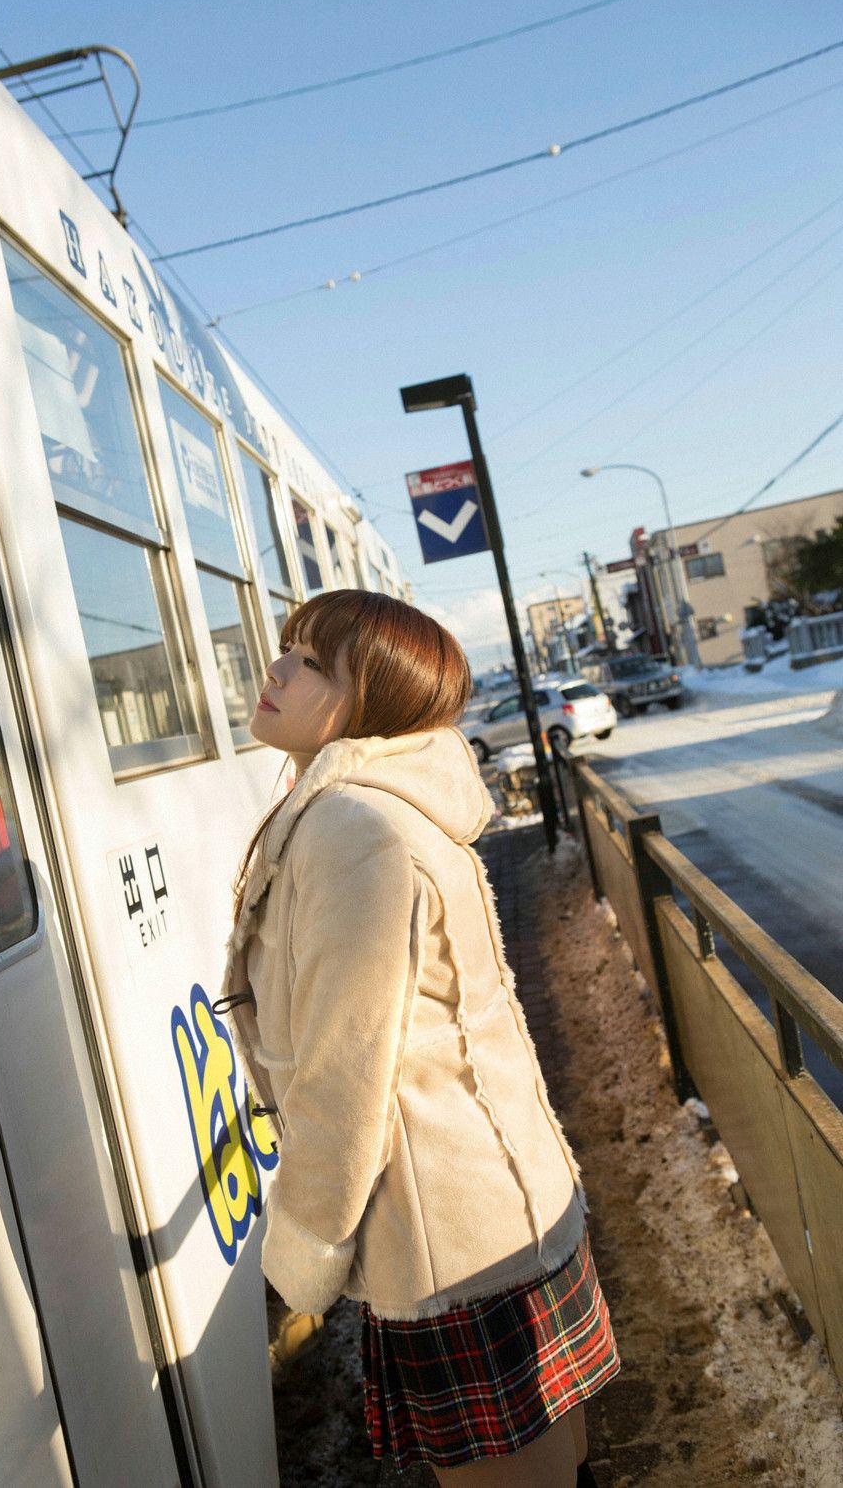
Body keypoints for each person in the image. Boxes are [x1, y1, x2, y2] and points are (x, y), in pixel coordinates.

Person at [220, 590, 618, 1487]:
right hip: (494, 1213)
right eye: (287, 648)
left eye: (314, 663)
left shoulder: (352, 830)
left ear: (375, 704)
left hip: (450, 1245)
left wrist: (307, 1248)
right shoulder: (378, 813)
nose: (277, 669)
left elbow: (342, 1078)